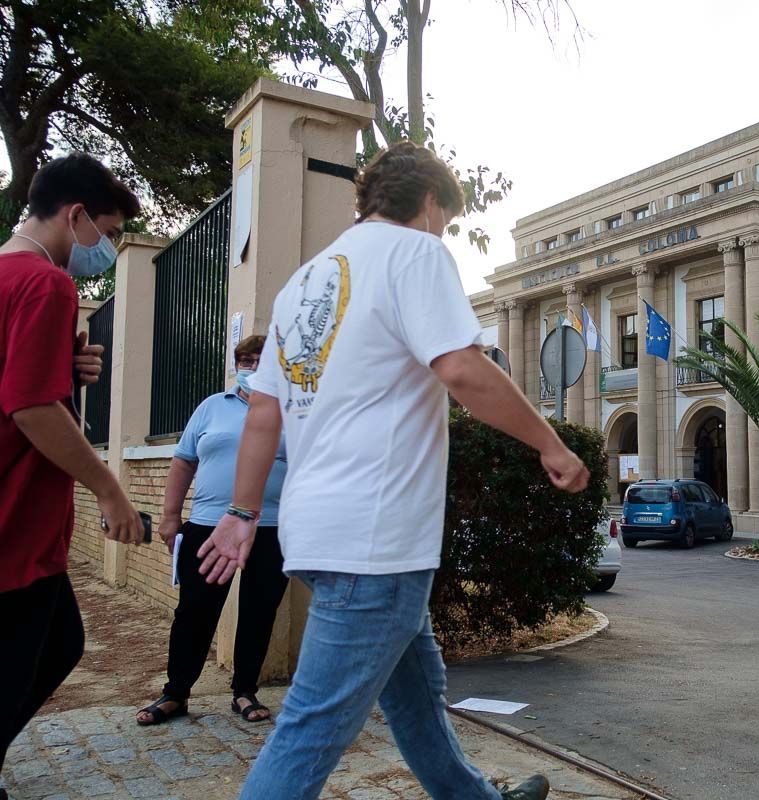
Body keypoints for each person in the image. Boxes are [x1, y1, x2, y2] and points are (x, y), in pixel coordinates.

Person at [197, 142, 589, 800]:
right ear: (430, 202)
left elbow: (263, 412)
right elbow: (462, 369)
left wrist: (241, 512)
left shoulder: (305, 284)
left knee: (416, 698)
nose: (445, 231)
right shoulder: (418, 253)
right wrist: (550, 444)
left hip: (323, 532)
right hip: (374, 540)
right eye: (447, 217)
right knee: (312, 725)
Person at [0, 153, 144, 798]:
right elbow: (30, 407)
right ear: (77, 214)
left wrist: (64, 368)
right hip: (16, 521)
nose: (106, 248)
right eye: (108, 233)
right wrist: (110, 488)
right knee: (34, 659)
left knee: (60, 643)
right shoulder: (47, 283)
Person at [135, 334, 290, 726]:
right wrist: (170, 516)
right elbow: (183, 461)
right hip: (208, 527)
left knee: (259, 611)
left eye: (262, 361)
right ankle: (175, 693)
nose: (253, 368)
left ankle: (244, 691)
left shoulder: (293, 410)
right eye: (246, 360)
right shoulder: (210, 408)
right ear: (236, 365)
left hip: (271, 529)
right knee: (195, 611)